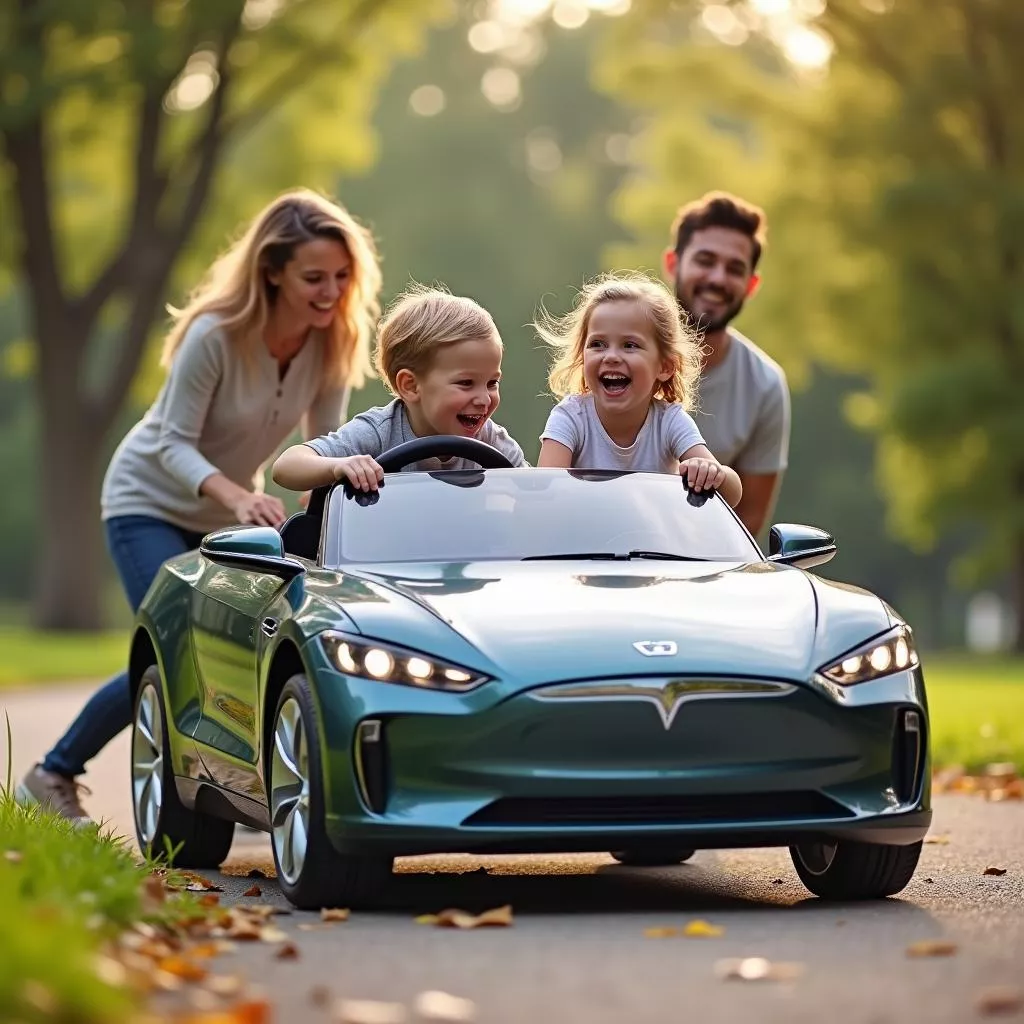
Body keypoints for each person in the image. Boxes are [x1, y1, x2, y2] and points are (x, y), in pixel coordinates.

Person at [16, 188, 383, 825]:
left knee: (237, 645)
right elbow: (169, 443)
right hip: (146, 500)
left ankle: (238, 782)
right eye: (314, 278)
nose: (330, 292)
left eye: (342, 277)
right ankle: (53, 772)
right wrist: (237, 493)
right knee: (171, 644)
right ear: (272, 272)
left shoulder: (332, 344)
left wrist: (321, 517)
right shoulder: (216, 335)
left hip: (230, 513)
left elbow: (320, 452)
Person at [272, 284, 527, 493]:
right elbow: (286, 467)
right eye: (466, 383)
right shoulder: (379, 432)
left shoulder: (490, 439)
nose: (484, 399)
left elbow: (534, 491)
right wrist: (340, 466)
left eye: (492, 383)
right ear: (410, 385)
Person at [535, 272, 742, 507]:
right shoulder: (571, 417)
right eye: (597, 344)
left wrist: (712, 473)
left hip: (653, 541)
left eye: (629, 345)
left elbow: (733, 495)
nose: (611, 356)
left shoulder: (669, 421)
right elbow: (547, 492)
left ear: (665, 367)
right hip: (584, 538)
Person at [663, 191, 790, 536]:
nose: (718, 278)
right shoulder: (614, 360)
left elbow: (746, 528)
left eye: (734, 268)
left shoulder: (765, 386)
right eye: (705, 260)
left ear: (751, 285)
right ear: (673, 263)